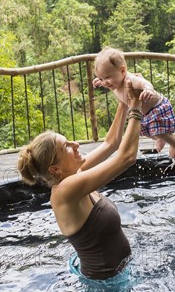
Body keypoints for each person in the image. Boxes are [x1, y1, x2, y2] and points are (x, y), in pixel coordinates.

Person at [17, 86, 142, 281]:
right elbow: (126, 158)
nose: (76, 145)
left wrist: (124, 101)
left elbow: (111, 144)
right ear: (55, 169)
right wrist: (136, 107)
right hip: (103, 288)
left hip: (117, 277)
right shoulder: (65, 191)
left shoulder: (75, 174)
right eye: (66, 146)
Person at [93, 47, 175, 158]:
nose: (105, 82)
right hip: (144, 113)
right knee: (145, 132)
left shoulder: (129, 80)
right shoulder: (114, 82)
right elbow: (106, 81)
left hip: (156, 108)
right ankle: (160, 138)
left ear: (123, 71)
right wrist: (102, 81)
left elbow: (143, 82)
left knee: (156, 131)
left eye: (107, 77)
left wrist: (148, 89)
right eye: (101, 78)